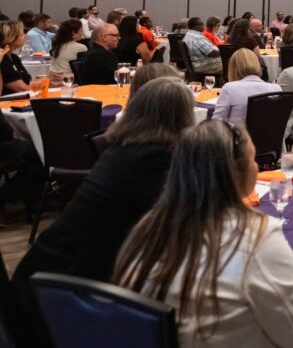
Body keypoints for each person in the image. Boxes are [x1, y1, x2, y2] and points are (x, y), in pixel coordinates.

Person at [115, 120, 293, 347]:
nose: (257, 167)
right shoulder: (256, 237)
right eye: (253, 159)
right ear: (235, 173)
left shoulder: (146, 230)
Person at [12, 78, 194, 346]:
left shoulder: (124, 147)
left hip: (45, 274)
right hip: (66, 297)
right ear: (181, 117)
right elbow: (179, 224)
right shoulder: (154, 159)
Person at [212, 49, 282, 126]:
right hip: (271, 137)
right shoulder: (276, 89)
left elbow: (217, 124)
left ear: (233, 69)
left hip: (238, 137)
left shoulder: (229, 89)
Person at [48, 18, 87, 82]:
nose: (82, 33)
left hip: (51, 79)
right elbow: (83, 71)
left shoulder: (57, 45)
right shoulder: (81, 47)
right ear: (73, 33)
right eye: (81, 30)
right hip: (69, 81)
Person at [0, 21, 32, 93]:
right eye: (21, 34)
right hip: (11, 101)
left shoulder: (14, 57)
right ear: (11, 38)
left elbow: (28, 81)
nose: (25, 36)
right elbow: (21, 88)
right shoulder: (3, 60)